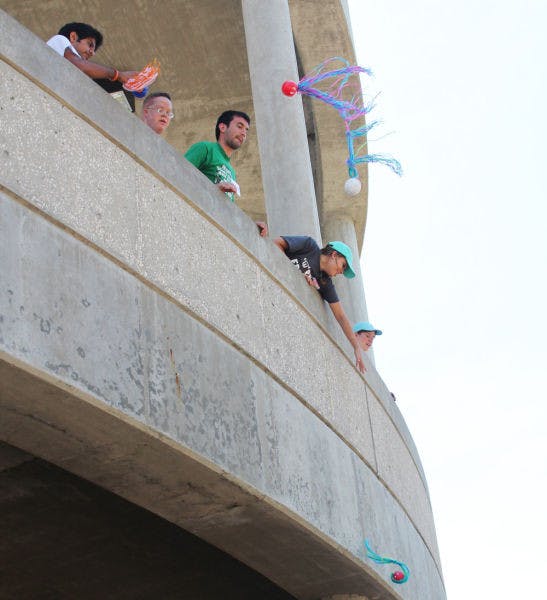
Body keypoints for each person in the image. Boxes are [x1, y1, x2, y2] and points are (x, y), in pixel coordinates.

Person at [273, 236, 365, 373]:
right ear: (334, 255)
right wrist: (294, 274)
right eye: (343, 265)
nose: (341, 272)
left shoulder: (325, 282)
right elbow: (277, 243)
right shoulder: (309, 246)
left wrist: (356, 346)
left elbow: (340, 316)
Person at [185, 110, 267, 236]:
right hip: (195, 221)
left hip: (216, 229)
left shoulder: (232, 172)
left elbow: (229, 210)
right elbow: (179, 175)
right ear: (222, 127)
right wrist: (213, 189)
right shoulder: (205, 148)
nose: (243, 133)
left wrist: (250, 226)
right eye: (239, 126)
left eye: (246, 130)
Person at [46, 23, 137, 85]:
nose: (92, 53)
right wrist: (117, 75)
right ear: (73, 37)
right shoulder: (59, 39)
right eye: (90, 45)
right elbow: (79, 64)